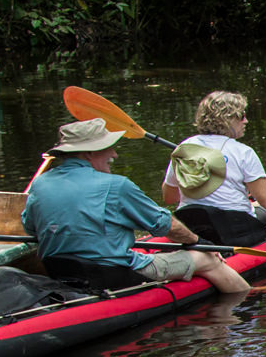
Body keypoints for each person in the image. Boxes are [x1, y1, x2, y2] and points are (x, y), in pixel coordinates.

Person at [21, 118, 249, 293]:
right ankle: (247, 304)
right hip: (111, 274)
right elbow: (165, 225)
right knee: (207, 259)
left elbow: (30, 227)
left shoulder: (40, 183)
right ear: (89, 153)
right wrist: (199, 242)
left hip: (59, 270)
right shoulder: (116, 186)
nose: (114, 154)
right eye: (107, 148)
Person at [161, 91, 266, 244]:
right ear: (226, 119)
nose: (246, 120)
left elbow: (169, 197)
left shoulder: (184, 148)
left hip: (193, 228)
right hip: (236, 231)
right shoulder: (243, 152)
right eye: (241, 115)